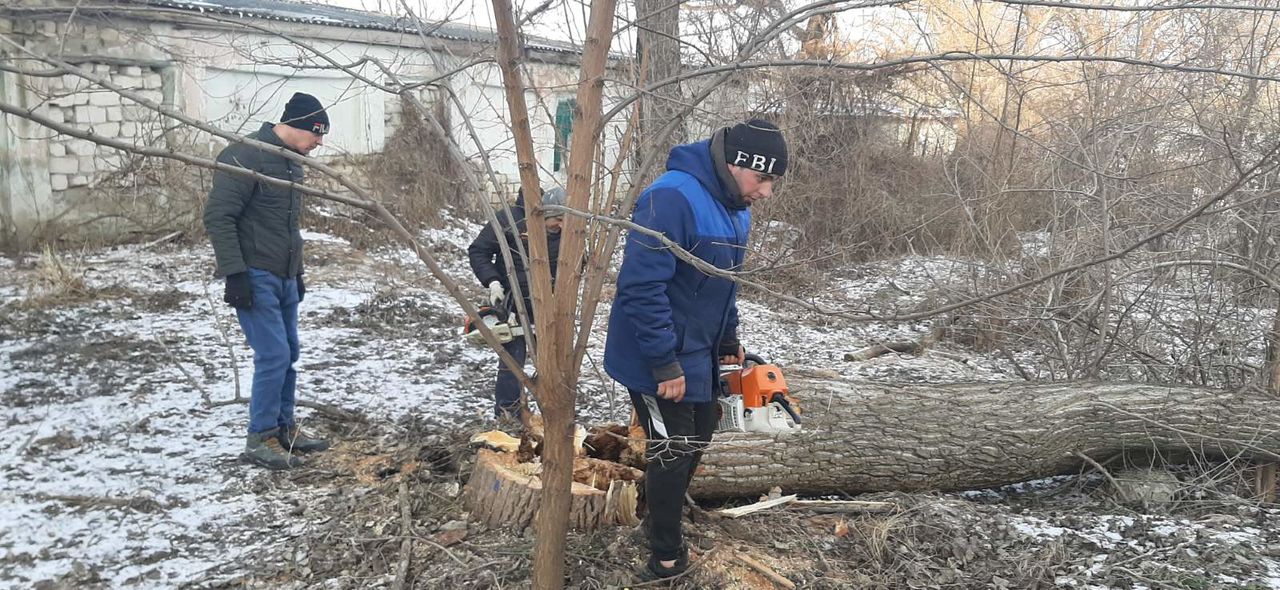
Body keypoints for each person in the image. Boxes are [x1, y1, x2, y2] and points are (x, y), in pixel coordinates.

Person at [604, 119, 787, 580]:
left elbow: (726, 286)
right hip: (656, 354)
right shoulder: (672, 197)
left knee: (701, 431)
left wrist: (728, 340)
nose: (765, 192)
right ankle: (665, 557)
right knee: (672, 447)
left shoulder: (735, 208)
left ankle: (660, 512)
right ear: (735, 163)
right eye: (762, 179)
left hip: (699, 351)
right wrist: (663, 362)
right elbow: (641, 288)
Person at [203, 92, 332, 470]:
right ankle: (259, 437)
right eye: (316, 134)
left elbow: (284, 226)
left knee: (289, 352)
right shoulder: (244, 156)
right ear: (295, 127)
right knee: (273, 354)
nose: (320, 142)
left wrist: (298, 272)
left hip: (285, 274)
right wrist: (235, 274)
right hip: (255, 273)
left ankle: (283, 427)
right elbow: (219, 217)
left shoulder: (292, 163)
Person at [467, 186, 568, 419]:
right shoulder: (509, 220)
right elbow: (478, 250)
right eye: (557, 220)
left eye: (565, 221)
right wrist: (492, 282)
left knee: (553, 365)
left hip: (551, 309)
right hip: (513, 306)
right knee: (511, 366)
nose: (561, 226)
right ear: (543, 213)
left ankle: (551, 415)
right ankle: (509, 415)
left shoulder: (570, 233)